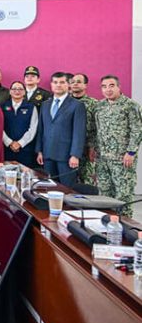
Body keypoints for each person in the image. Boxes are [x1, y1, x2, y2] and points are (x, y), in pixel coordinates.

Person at [93, 75, 142, 218]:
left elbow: (137, 130)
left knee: (123, 194)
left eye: (111, 86)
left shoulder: (130, 105)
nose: (108, 89)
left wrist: (131, 152)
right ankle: (106, 223)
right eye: (104, 86)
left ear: (119, 87)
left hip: (122, 158)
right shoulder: (99, 106)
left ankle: (125, 226)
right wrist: (93, 148)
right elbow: (96, 130)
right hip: (102, 158)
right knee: (104, 192)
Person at [35, 72, 86, 187]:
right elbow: (41, 129)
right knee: (49, 188)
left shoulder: (77, 105)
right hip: (47, 154)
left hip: (66, 157)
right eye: (55, 82)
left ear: (68, 84)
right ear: (51, 85)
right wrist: (39, 150)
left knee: (67, 189)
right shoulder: (45, 105)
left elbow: (79, 132)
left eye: (62, 82)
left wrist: (75, 155)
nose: (58, 85)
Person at [2, 81, 39, 168]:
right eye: (14, 89)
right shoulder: (2, 107)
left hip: (26, 149)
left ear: (24, 92)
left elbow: (33, 128)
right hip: (7, 149)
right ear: (10, 91)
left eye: (20, 89)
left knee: (25, 173)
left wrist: (20, 143)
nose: (17, 91)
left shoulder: (31, 107)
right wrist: (9, 142)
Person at [71, 73, 98, 185]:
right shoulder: (65, 102)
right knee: (69, 183)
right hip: (68, 148)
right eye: (73, 82)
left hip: (87, 148)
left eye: (79, 82)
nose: (75, 84)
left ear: (85, 85)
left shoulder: (94, 103)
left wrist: (92, 146)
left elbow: (97, 127)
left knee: (87, 181)